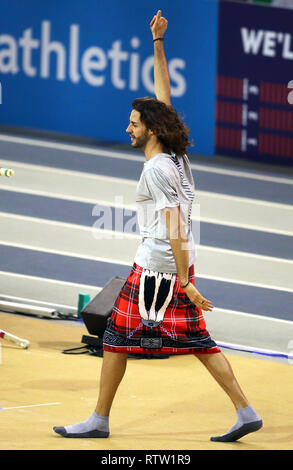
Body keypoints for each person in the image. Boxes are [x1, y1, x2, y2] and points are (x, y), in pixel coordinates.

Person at [53, 10, 263, 443]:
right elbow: (163, 98)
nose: (126, 128)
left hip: (159, 271)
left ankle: (99, 420)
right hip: (175, 269)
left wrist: (184, 283)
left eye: (133, 123)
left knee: (115, 337)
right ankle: (245, 411)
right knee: (198, 342)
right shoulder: (175, 156)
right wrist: (158, 44)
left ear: (149, 130)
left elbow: (176, 230)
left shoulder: (155, 171)